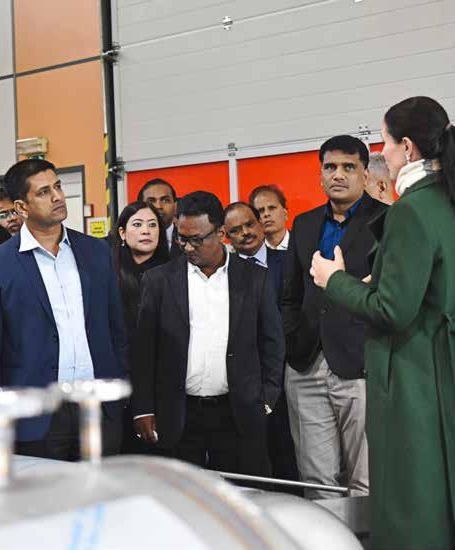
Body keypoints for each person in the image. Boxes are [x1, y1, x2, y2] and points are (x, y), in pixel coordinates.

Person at [310, 96, 455, 548]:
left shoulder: (411, 209)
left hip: (422, 368)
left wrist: (334, 280)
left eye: (384, 142)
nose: (381, 153)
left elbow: (393, 310)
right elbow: (441, 284)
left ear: (407, 146)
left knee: (417, 492)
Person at [0, 158, 127, 460]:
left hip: (98, 408)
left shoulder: (96, 251)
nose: (57, 196)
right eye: (44, 192)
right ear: (21, 207)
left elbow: (116, 329)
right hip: (36, 415)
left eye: (58, 187)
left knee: (101, 489)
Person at [131, 191, 284, 476]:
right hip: (178, 413)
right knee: (182, 496)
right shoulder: (159, 281)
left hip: (238, 412)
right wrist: (143, 408)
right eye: (182, 239)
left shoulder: (254, 279)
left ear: (221, 234)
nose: (188, 248)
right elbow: (144, 351)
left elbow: (272, 343)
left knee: (243, 494)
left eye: (196, 240)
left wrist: (265, 399)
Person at [282, 135, 385, 499]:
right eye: (330, 167)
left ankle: (366, 534)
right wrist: (292, 339)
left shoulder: (387, 220)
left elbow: (390, 296)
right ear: (321, 174)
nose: (338, 175)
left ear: (365, 174)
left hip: (362, 365)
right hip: (306, 364)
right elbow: (290, 294)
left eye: (348, 167)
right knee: (316, 480)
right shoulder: (305, 224)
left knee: (367, 480)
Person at [222, 201, 298, 481]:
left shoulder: (288, 260)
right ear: (226, 237)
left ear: (259, 223)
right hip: (249, 384)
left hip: (295, 368)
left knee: (289, 458)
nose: (245, 233)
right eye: (235, 230)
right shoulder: (223, 274)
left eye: (249, 224)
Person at [111, 200, 170, 454]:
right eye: (137, 224)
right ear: (122, 233)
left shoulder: (175, 273)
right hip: (119, 386)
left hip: (163, 387)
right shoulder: (108, 275)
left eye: (152, 225)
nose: (146, 231)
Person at [138, 178, 181, 257]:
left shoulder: (187, 239)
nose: (158, 206)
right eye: (151, 201)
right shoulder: (129, 241)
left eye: (165, 200)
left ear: (175, 206)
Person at [250, 185, 290, 250]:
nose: (266, 214)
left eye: (272, 208)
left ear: (285, 213)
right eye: (260, 210)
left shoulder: (302, 243)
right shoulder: (252, 251)